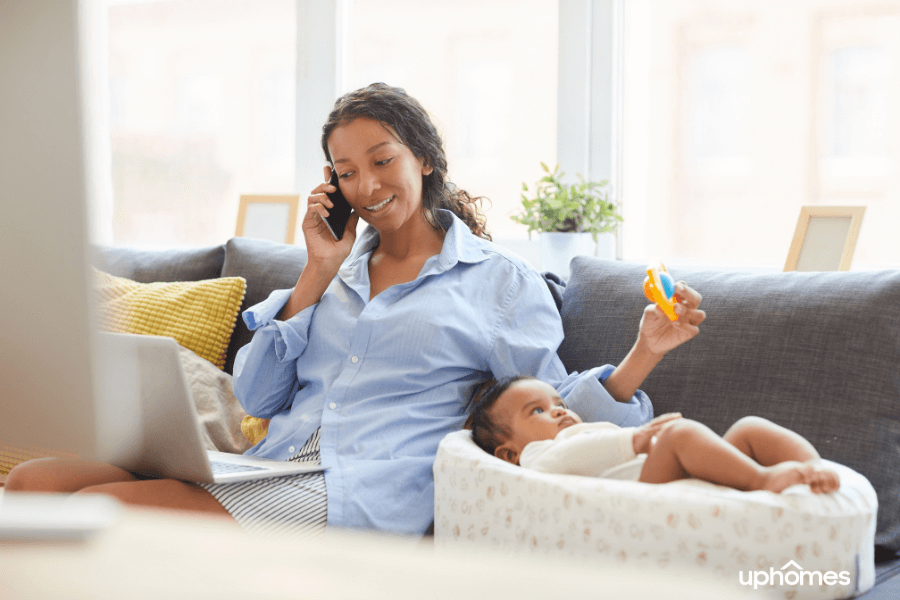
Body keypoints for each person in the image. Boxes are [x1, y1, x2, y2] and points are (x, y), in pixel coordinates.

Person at [5, 83, 707, 537]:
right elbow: (254, 395)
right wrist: (315, 272)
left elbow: (550, 416)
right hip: (271, 461)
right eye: (346, 172)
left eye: (381, 161)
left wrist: (645, 350)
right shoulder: (330, 275)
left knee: (120, 516)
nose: (366, 185)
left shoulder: (499, 283)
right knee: (31, 483)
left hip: (363, 492)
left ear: (424, 159)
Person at [469, 375, 840, 494]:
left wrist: (640, 442)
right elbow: (564, 460)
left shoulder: (586, 429)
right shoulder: (535, 458)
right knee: (678, 435)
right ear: (508, 453)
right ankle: (763, 479)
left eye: (557, 401)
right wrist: (637, 439)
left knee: (749, 428)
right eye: (538, 411)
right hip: (646, 493)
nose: (559, 410)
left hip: (680, 475)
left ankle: (814, 469)